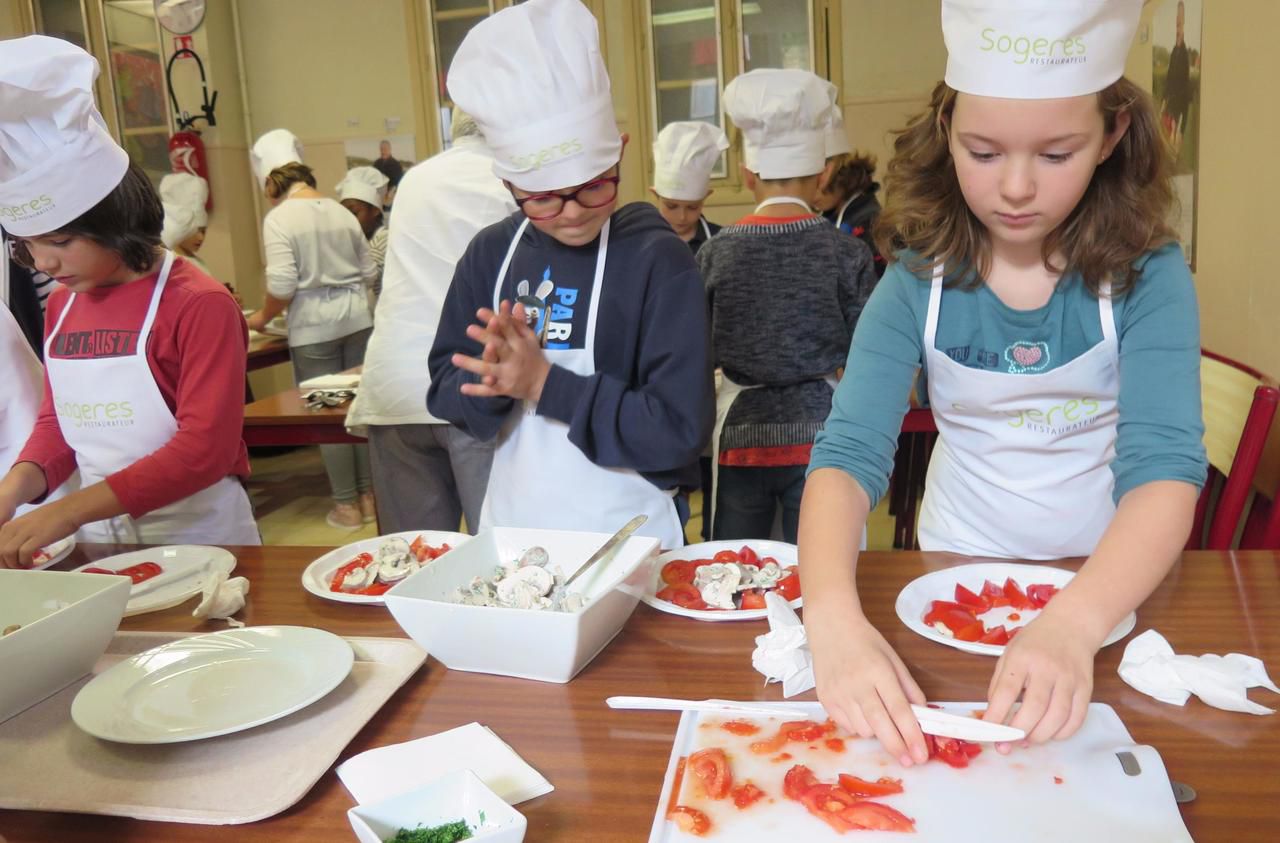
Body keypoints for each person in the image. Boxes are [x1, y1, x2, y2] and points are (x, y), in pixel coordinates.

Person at [801, 0, 1206, 767]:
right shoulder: (915, 281)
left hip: (1105, 584)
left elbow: (1163, 471)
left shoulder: (1150, 277)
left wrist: (1076, 623)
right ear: (945, 128)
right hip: (952, 580)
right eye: (983, 152)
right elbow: (849, 455)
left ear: (1113, 134)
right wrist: (831, 617)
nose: (1016, 188)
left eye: (1056, 155)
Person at [428, 0, 714, 551]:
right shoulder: (490, 255)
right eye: (543, 199)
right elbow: (444, 389)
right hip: (515, 536)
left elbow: (676, 433)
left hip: (631, 542)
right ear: (508, 185)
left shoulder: (658, 261)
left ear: (620, 154)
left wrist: (542, 383)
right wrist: (487, 388)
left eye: (594, 185)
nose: (575, 211)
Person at [0, 36, 259, 565]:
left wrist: (67, 511)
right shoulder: (62, 305)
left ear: (114, 221)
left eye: (60, 242)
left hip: (204, 536)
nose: (44, 264)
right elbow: (58, 425)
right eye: (27, 248)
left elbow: (204, 449)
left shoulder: (198, 303)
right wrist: (12, 493)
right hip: (104, 541)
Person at [697, 68, 877, 544]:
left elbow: (699, 354)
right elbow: (868, 355)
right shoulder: (847, 252)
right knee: (820, 572)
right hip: (823, 433)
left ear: (747, 174)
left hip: (740, 434)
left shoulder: (716, 252)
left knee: (734, 568)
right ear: (824, 173)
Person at [346, 110, 514, 534]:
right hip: (474, 387)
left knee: (413, 557)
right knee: (498, 559)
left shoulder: (414, 181)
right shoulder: (514, 180)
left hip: (395, 386)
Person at [245, 129, 378, 530]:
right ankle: (371, 498)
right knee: (357, 408)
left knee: (326, 413)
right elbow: (370, 270)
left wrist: (260, 318)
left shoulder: (280, 218)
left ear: (271, 182)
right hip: (359, 320)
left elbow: (282, 286)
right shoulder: (341, 211)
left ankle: (346, 507)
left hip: (313, 329)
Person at [814, 106, 885, 277]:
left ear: (841, 177)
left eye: (818, 184)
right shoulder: (830, 215)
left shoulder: (868, 222)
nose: (812, 194)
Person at [650, 121, 728, 256]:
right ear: (656, 195)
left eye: (692, 207)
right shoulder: (643, 243)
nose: (682, 217)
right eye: (671, 206)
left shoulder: (721, 242)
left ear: (706, 197)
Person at [335, 165, 390, 300]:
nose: (348, 220)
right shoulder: (361, 241)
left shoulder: (383, 239)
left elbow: (362, 282)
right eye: (344, 214)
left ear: (376, 210)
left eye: (354, 213)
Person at [1160, 0, 1191, 153]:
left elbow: (1182, 80)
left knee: (1175, 133)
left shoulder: (1183, 54)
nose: (1177, 25)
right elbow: (1170, 77)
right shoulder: (1174, 52)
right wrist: (1165, 99)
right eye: (1177, 22)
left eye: (1180, 21)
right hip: (1172, 100)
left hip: (1180, 101)